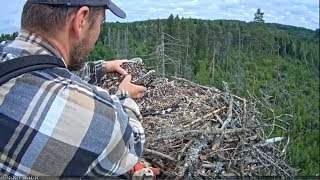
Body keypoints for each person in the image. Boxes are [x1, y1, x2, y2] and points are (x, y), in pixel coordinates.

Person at [0, 0, 147, 177]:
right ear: (81, 19)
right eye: (100, 23)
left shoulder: (7, 55)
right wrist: (124, 97)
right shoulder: (89, 116)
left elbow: (39, 70)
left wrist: (99, 68)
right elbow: (130, 145)